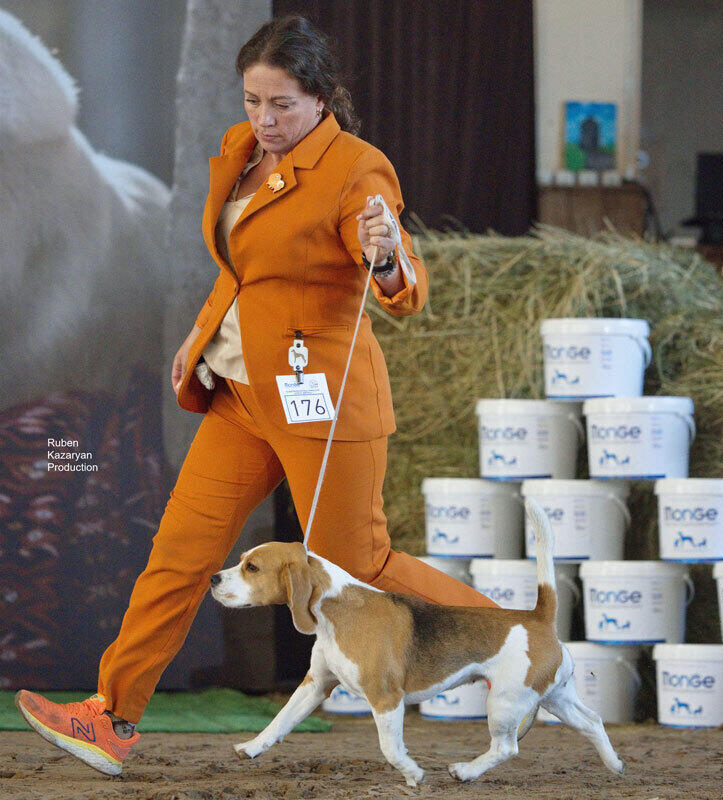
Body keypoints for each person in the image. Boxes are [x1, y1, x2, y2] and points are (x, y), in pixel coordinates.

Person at [15, 15, 502, 776]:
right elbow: (243, 272)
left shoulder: (357, 170)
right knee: (178, 556)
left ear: (320, 98)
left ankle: (509, 640)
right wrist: (203, 336)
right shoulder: (242, 155)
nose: (265, 121)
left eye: (282, 105)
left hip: (324, 402)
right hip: (241, 396)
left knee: (358, 562)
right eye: (253, 102)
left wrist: (385, 260)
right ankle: (109, 719)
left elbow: (403, 290)